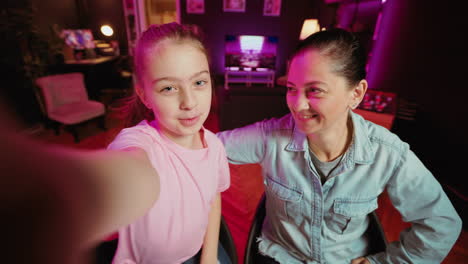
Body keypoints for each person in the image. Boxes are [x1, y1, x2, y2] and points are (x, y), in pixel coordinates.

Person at [216, 28, 462, 263]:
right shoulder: (271, 136)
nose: (297, 105)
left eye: (315, 90)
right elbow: (208, 147)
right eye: (291, 89)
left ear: (356, 93)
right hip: (282, 257)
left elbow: (441, 223)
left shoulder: (387, 153)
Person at [106, 22, 231, 264]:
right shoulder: (140, 143)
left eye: (199, 83)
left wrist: (209, 256)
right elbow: (128, 161)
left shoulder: (214, 146)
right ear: (144, 96)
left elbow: (213, 198)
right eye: (169, 88)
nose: (189, 102)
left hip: (198, 253)